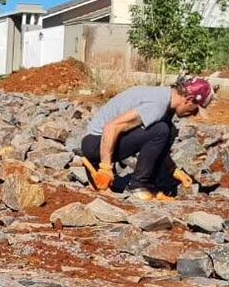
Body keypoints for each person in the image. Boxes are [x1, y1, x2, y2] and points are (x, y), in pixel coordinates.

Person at [78, 76, 214, 201]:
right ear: (189, 99)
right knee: (161, 130)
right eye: (195, 110)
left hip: (103, 142)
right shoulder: (157, 105)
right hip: (95, 144)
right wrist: (105, 168)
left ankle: (152, 185)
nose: (193, 115)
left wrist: (173, 170)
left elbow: (156, 145)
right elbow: (111, 127)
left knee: (168, 129)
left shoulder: (166, 99)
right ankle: (138, 185)